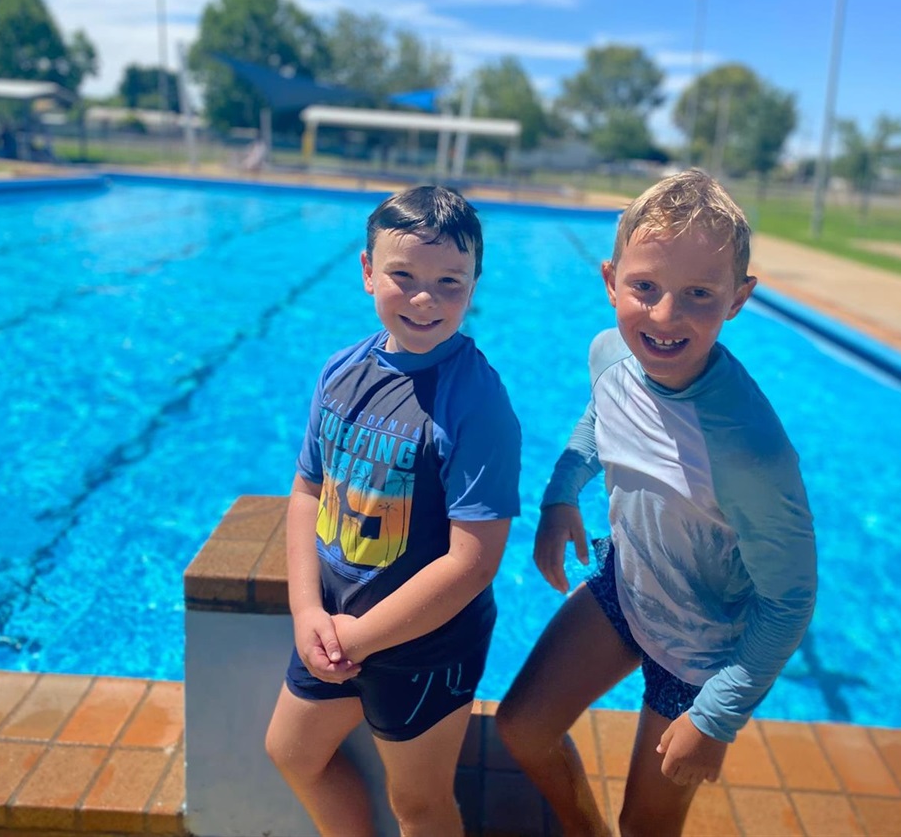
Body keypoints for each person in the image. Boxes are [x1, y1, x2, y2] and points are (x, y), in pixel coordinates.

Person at [496, 169, 817, 836]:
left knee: (646, 823)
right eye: (645, 287)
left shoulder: (749, 449)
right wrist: (562, 494)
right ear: (610, 279)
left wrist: (717, 714)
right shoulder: (610, 352)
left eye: (699, 294)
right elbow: (600, 415)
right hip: (626, 585)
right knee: (521, 729)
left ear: (738, 299)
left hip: (704, 650)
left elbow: (790, 598)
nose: (666, 317)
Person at [265, 185, 521, 836]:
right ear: (366, 271)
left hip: (427, 642)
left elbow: (473, 561)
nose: (425, 299)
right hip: (334, 624)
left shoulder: (477, 401)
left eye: (449, 282)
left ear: (474, 284)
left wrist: (361, 637)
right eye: (402, 276)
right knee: (291, 750)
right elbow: (306, 489)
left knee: (421, 804)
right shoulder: (341, 371)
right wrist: (306, 610)